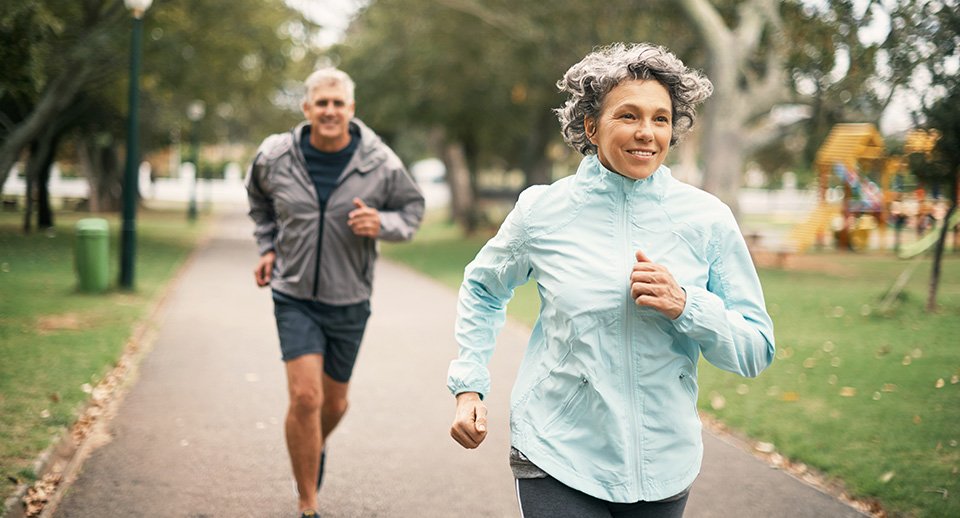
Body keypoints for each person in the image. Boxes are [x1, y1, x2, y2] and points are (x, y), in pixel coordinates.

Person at [448, 42, 775, 518]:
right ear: (590, 125)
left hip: (664, 461)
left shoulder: (707, 219)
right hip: (557, 451)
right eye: (628, 115)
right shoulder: (543, 212)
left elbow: (756, 348)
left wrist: (687, 306)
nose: (646, 133)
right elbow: (483, 288)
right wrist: (469, 387)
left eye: (660, 119)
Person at [246, 67, 424, 518]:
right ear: (306, 108)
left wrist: (381, 224)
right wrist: (268, 247)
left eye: (337, 103)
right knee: (306, 398)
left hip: (349, 298)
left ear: (351, 109)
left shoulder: (380, 162)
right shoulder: (275, 155)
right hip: (294, 293)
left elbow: (412, 209)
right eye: (321, 103)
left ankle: (310, 444)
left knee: (335, 402)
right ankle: (308, 503)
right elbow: (259, 201)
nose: (329, 111)